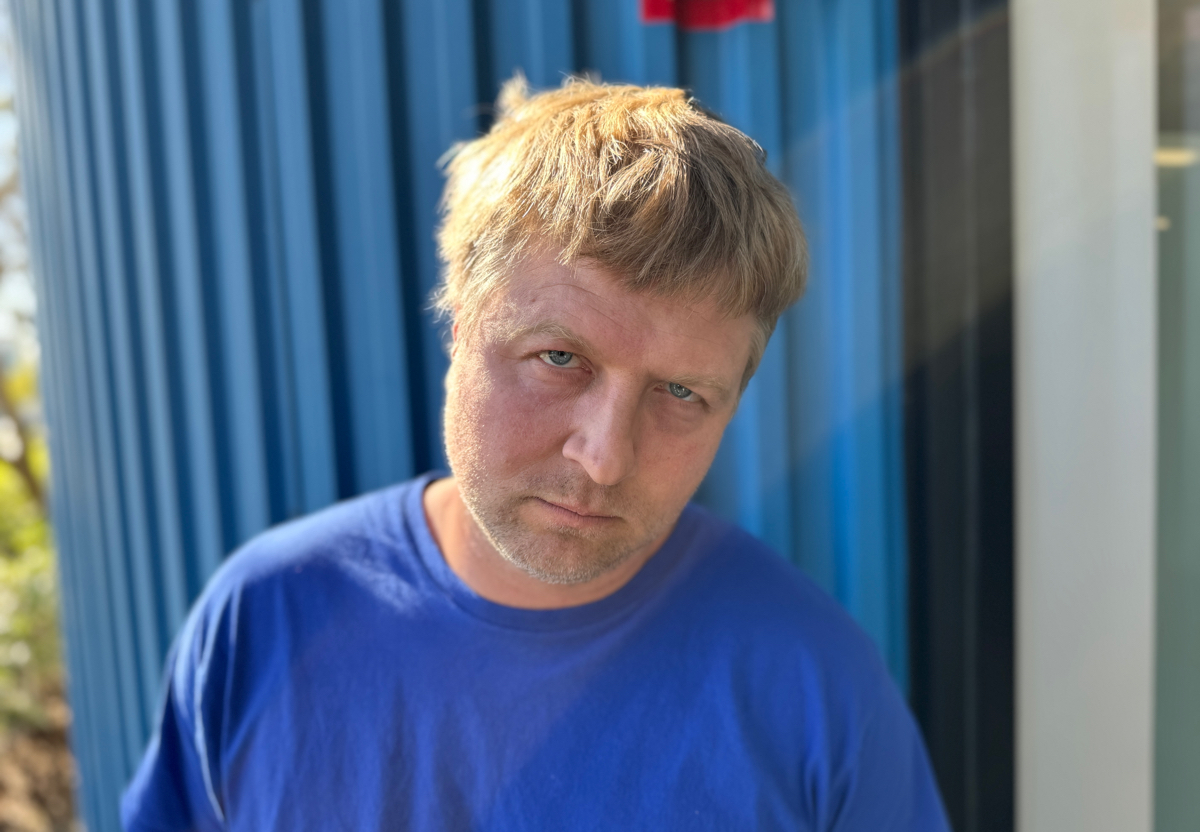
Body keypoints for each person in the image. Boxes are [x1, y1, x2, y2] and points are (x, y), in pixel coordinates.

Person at [121, 77, 949, 831]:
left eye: (680, 392)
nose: (603, 458)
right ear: (460, 324)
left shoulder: (815, 689)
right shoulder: (263, 623)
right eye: (559, 358)